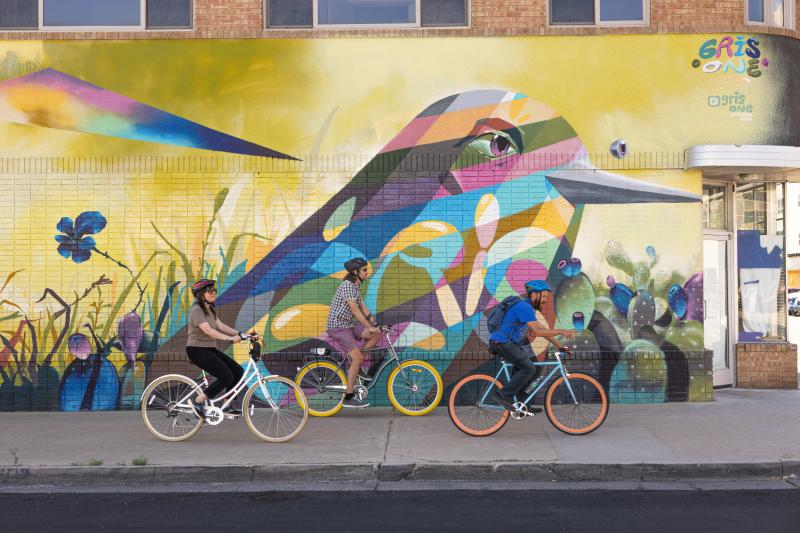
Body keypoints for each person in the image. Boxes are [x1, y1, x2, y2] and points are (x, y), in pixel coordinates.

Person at [489, 279, 575, 412]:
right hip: (503, 343)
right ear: (534, 294)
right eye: (544, 296)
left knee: (531, 368)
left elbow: (542, 329)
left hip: (509, 344)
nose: (545, 300)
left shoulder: (527, 308)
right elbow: (538, 332)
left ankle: (524, 405)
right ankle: (503, 395)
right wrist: (562, 331)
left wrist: (559, 345)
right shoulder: (523, 307)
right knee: (528, 368)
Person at [186, 278, 255, 417]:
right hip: (197, 350)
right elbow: (208, 331)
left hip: (209, 349)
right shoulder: (197, 310)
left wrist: (242, 334)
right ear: (201, 294)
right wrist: (229, 339)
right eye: (209, 291)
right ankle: (198, 401)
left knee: (238, 372)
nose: (213, 293)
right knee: (226, 376)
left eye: (214, 290)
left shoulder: (209, 309)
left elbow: (221, 326)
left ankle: (226, 406)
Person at [326, 257, 381, 408]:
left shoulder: (355, 287)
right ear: (355, 272)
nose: (367, 273)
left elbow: (364, 309)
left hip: (349, 325)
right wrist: (368, 326)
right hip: (338, 327)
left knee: (376, 334)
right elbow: (355, 310)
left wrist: (376, 325)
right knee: (356, 358)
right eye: (364, 270)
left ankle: (358, 365)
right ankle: (349, 396)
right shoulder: (348, 286)